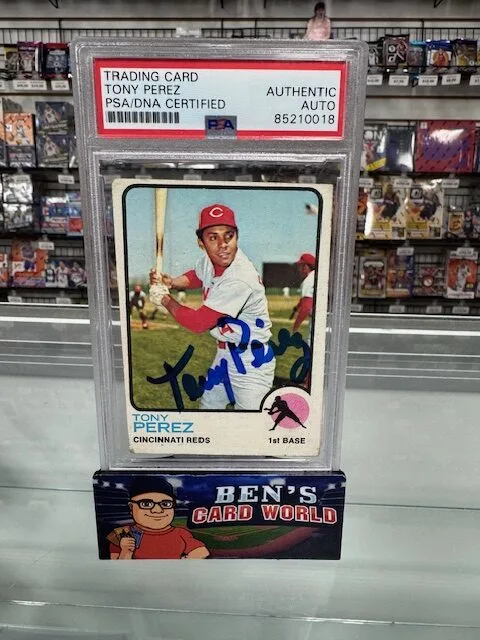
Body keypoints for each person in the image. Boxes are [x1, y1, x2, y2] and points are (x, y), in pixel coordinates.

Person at [150, 203, 275, 410]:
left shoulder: (240, 277)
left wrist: (164, 299)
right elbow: (196, 276)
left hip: (251, 360)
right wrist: (170, 282)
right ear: (201, 243)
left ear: (237, 237)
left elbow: (198, 323)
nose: (223, 244)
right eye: (213, 238)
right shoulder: (210, 261)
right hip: (224, 354)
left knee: (250, 423)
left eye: (229, 236)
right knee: (208, 409)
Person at [107, 477, 209, 560]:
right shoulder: (121, 534)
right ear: (131, 507)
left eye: (165, 504)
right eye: (146, 504)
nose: (157, 510)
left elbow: (202, 551)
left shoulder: (180, 533)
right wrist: (126, 552)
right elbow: (116, 568)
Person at [292, 253, 315, 344]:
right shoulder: (315, 276)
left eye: (300, 266)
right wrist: (298, 306)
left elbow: (306, 306)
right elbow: (305, 300)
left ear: (306, 267)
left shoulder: (309, 281)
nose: (299, 269)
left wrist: (295, 327)